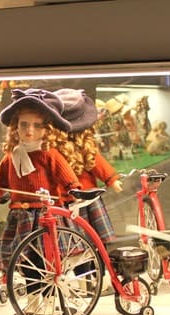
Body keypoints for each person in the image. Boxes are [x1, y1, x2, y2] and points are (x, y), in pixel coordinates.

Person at [0, 88, 81, 315]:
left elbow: (67, 177)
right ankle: (34, 302)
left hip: (46, 216)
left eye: (37, 126)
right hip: (21, 217)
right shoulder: (12, 155)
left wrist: (73, 192)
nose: (29, 131)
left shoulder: (49, 154)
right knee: (27, 262)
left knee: (48, 261)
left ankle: (51, 302)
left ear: (47, 129)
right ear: (15, 126)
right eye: (24, 124)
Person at [53, 88, 123, 295]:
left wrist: (112, 179)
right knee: (76, 247)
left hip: (87, 200)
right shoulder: (53, 149)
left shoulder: (85, 147)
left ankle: (99, 278)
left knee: (96, 243)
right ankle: (85, 282)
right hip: (65, 202)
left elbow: (97, 162)